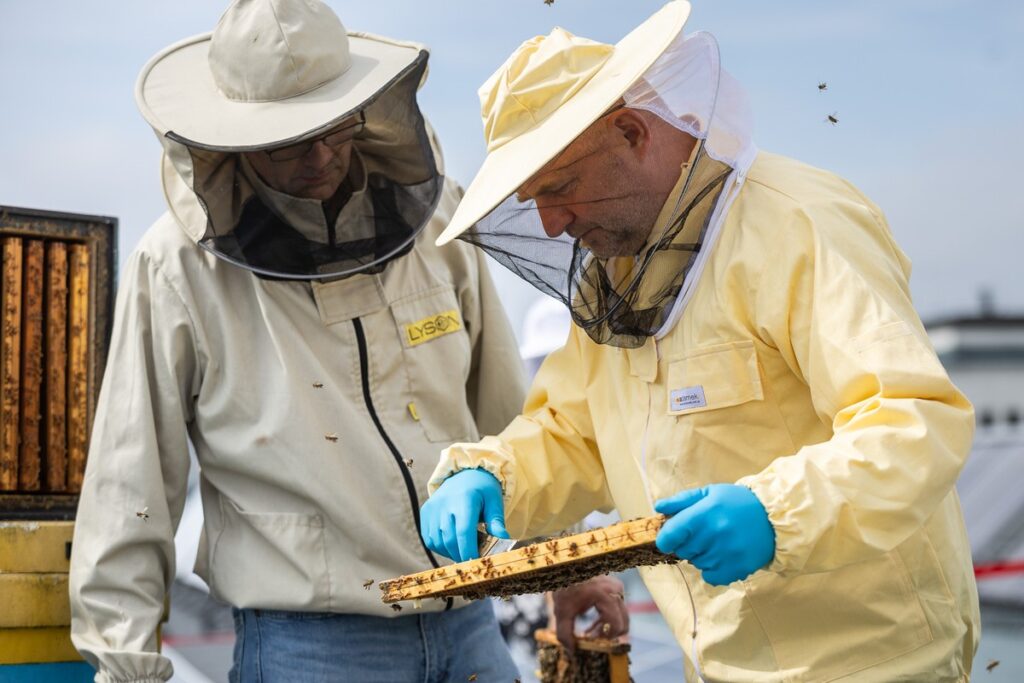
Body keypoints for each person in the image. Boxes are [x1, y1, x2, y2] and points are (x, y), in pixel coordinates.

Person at [420, 2, 981, 680]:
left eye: (561, 187)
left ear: (631, 132)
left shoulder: (800, 223)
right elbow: (574, 433)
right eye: (534, 197)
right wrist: (493, 472)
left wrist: (776, 513)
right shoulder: (619, 279)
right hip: (720, 663)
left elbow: (913, 422)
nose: (550, 222)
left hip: (872, 660)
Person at [69, 1, 536, 680]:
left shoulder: (435, 219)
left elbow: (509, 416)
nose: (320, 156)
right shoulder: (175, 266)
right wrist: (126, 664)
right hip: (310, 648)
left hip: (471, 624)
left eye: (333, 126)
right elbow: (132, 481)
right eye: (290, 140)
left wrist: (568, 560)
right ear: (232, 136)